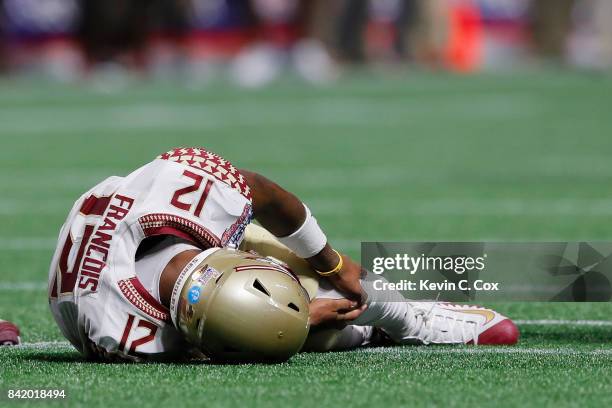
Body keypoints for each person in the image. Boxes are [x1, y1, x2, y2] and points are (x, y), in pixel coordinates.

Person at [48, 147, 518, 362]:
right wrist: (301, 318)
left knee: (297, 271)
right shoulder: (125, 338)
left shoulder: (186, 198)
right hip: (130, 287)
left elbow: (263, 192)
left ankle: (403, 310)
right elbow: (212, 340)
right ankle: (380, 327)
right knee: (274, 331)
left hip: (146, 223)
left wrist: (330, 262)